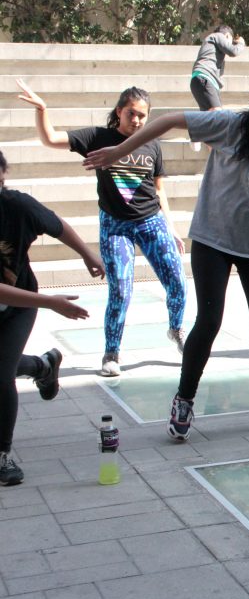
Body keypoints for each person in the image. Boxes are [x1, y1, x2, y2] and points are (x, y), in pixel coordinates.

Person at [83, 77, 249, 440]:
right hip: (213, 240)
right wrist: (119, 151)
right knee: (209, 320)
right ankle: (184, 399)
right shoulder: (232, 124)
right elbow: (168, 121)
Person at [17, 80, 187, 377]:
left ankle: (176, 329)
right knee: (121, 289)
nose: (137, 120)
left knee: (178, 282)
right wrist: (42, 110)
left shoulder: (152, 143)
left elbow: (159, 189)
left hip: (151, 221)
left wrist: (171, 228)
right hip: (115, 225)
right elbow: (52, 139)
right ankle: (112, 351)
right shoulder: (98, 137)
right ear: (119, 111)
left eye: (142, 115)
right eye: (131, 113)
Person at [1, 150, 105, 485]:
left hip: (19, 305)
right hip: (19, 297)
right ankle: (41, 366)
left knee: (0, 374)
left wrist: (87, 254)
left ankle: (2, 455)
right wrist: (49, 302)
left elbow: (57, 226)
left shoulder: (18, 206)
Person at [189, 25, 245, 112]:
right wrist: (241, 43)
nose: (230, 44)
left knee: (209, 117)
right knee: (218, 113)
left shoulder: (212, 47)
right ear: (227, 36)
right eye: (230, 41)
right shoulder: (218, 36)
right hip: (205, 78)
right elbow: (233, 51)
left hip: (200, 80)